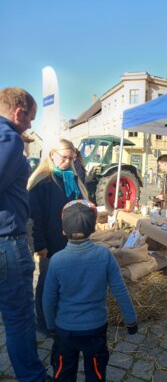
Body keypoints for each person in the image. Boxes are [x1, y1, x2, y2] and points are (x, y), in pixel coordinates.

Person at [43, 199, 137, 382]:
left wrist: (50, 325)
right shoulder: (104, 256)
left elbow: (48, 299)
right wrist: (131, 320)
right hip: (95, 330)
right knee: (95, 374)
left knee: (63, 373)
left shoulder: (56, 261)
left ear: (63, 231)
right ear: (93, 229)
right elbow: (120, 290)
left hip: (65, 330)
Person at [0, 88, 49, 382]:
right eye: (31, 118)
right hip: (7, 243)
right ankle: (34, 380)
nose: (31, 125)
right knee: (19, 319)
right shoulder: (9, 139)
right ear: (19, 112)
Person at [28, 139, 88, 336]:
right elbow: (34, 217)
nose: (67, 161)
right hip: (50, 244)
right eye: (64, 157)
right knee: (47, 285)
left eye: (71, 158)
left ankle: (62, 319)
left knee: (67, 284)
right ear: (52, 154)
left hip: (71, 243)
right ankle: (44, 323)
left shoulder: (72, 178)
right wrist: (40, 245)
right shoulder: (42, 181)